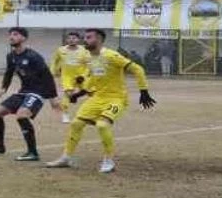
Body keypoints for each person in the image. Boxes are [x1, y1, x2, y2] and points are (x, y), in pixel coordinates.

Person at [46, 29, 156, 173]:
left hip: (116, 99)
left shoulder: (111, 56)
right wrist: (78, 94)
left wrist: (144, 91)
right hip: (97, 98)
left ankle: (109, 160)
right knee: (76, 124)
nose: (85, 40)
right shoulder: (90, 58)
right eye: (85, 37)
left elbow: (138, 69)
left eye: (89, 37)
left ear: (98, 39)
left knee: (102, 125)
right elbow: (93, 80)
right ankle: (66, 157)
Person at [0, 27, 60, 161]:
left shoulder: (33, 56)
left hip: (38, 92)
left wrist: (53, 97)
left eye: (15, 34)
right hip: (24, 91)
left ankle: (33, 153)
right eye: (10, 35)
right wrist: (4, 88)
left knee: (22, 115)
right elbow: (9, 73)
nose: (11, 37)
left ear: (23, 38)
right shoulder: (11, 56)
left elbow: (47, 76)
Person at [51, 32, 91, 124]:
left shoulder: (84, 50)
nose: (71, 40)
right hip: (67, 76)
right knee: (67, 94)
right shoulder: (61, 50)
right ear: (66, 40)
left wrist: (83, 75)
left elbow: (89, 65)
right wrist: (52, 72)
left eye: (74, 38)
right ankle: (65, 114)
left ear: (78, 40)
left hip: (81, 76)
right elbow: (54, 61)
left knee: (90, 91)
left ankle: (89, 111)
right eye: (69, 38)